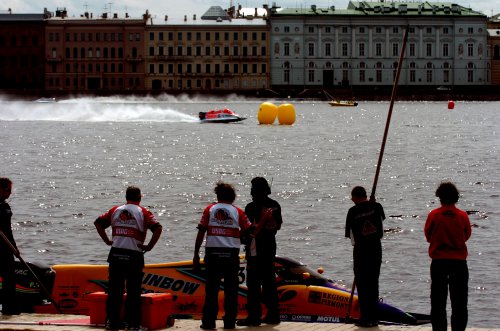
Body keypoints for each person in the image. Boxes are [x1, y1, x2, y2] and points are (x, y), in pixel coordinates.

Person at [94, 186, 162, 331]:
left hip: (116, 254)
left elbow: (98, 223)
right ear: (140, 197)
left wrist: (107, 241)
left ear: (126, 197)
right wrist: (149, 246)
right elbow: (158, 228)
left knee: (114, 291)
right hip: (134, 255)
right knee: (133, 292)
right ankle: (133, 325)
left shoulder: (115, 210)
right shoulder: (143, 212)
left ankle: (112, 323)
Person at [193, 182, 252, 330]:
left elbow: (201, 232)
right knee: (231, 291)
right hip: (231, 255)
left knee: (211, 291)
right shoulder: (238, 211)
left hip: (212, 254)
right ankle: (229, 323)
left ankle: (208, 323)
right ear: (232, 197)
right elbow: (250, 230)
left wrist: (195, 254)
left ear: (218, 195)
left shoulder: (210, 209)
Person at [424, 182, 471, 331]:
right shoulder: (462, 216)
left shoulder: (434, 215)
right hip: (459, 263)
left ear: (440, 197)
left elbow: (428, 235)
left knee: (438, 302)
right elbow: (466, 235)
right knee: (460, 303)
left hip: (439, 263)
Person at [237, 177, 282, 326]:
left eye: (252, 188)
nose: (250, 191)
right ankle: (273, 314)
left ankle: (254, 317)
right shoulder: (275, 205)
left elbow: (249, 230)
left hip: (255, 249)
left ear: (256, 190)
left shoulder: (251, 207)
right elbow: (278, 227)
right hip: (269, 247)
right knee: (269, 282)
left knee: (254, 284)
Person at [345, 186, 385, 327]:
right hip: (376, 248)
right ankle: (374, 318)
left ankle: (365, 318)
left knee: (363, 284)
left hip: (361, 250)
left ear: (356, 197)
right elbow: (381, 219)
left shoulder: (352, 211)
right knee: (373, 283)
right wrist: (372, 205)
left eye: (352, 197)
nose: (351, 199)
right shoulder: (377, 206)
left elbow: (351, 237)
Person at [0, 177, 20, 315]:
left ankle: (9, 308)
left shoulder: (5, 206)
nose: (9, 193)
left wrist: (14, 248)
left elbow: (8, 230)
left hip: (5, 247)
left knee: (9, 278)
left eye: (10, 191)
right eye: (8, 190)